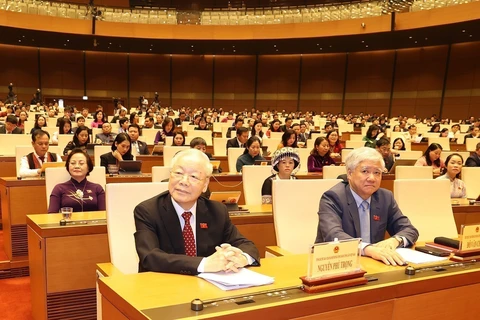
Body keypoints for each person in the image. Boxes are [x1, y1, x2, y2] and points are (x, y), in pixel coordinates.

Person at [134, 148, 259, 274]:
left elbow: (245, 244)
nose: (184, 181)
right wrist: (204, 264)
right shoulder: (148, 211)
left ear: (205, 185)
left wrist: (241, 258)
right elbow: (149, 257)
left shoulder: (217, 211)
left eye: (193, 177)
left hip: (207, 287)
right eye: (178, 173)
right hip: (164, 286)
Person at [315, 147, 419, 266]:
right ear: (349, 173)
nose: (372, 178)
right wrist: (368, 249)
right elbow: (333, 235)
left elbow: (410, 230)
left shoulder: (385, 197)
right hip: (334, 263)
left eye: (377, 173)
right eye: (365, 171)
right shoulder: (333, 197)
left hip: (373, 264)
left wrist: (395, 240)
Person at [48, 148, 105, 213]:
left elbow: (104, 214)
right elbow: (51, 215)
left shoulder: (97, 188)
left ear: (88, 167)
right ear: (68, 166)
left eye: (81, 163)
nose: (77, 166)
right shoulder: (59, 188)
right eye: (73, 163)